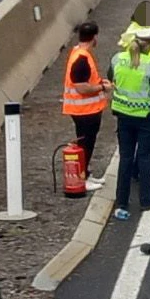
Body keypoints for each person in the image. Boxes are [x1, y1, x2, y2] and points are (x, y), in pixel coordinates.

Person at [108, 26, 150, 221]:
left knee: (125, 158)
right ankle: (146, 200)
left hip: (123, 116)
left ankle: (122, 201)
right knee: (145, 158)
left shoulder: (117, 59)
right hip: (146, 117)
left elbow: (111, 77)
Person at [60, 21, 109, 189]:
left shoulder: (79, 53)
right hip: (84, 111)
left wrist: (99, 83)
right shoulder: (81, 59)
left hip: (85, 109)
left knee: (87, 142)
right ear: (94, 38)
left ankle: (86, 174)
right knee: (86, 144)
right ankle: (82, 179)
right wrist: (102, 88)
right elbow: (82, 88)